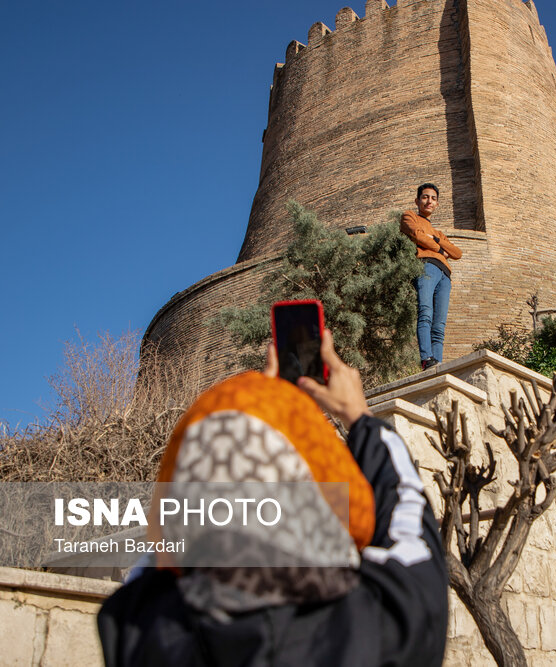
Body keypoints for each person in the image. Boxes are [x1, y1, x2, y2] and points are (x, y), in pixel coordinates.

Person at [97, 330, 449, 666]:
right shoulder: (379, 625)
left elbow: (164, 545)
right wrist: (358, 417)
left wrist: (253, 401)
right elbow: (406, 513)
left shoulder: (137, 631)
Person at [400, 183, 463, 370]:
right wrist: (440, 248)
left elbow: (457, 253)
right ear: (417, 200)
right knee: (425, 312)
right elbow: (418, 236)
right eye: (425, 197)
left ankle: (438, 363)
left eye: (433, 199)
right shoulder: (409, 216)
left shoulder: (438, 233)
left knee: (440, 323)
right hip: (426, 265)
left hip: (445, 274)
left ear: (437, 204)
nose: (429, 201)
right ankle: (427, 359)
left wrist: (434, 240)